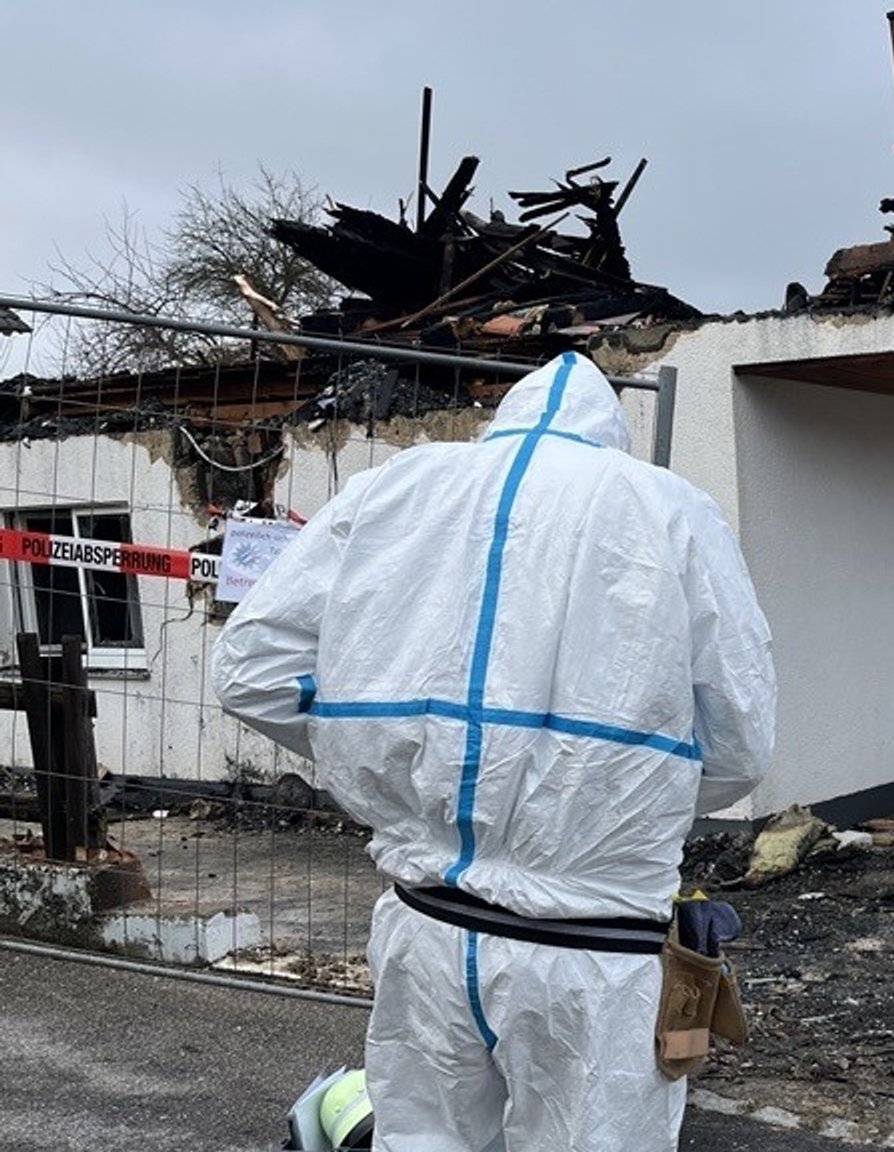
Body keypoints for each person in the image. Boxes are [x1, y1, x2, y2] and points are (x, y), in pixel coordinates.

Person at [212, 351, 775, 1151]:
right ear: (611, 434)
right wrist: (612, 800)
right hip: (593, 945)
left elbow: (250, 673)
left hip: (427, 928)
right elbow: (740, 744)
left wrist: (385, 752)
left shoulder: (393, 490)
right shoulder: (670, 510)